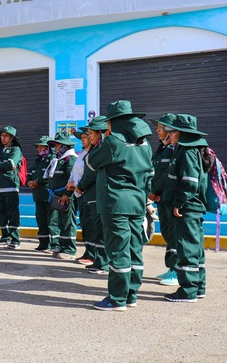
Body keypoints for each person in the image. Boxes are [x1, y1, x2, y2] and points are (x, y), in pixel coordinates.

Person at [86, 100, 153, 311]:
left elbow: (91, 162)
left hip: (115, 203)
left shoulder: (113, 142)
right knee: (134, 249)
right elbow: (149, 174)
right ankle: (131, 295)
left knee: (118, 250)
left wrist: (106, 139)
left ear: (113, 122)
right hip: (137, 202)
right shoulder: (145, 144)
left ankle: (117, 298)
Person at [161, 114, 209, 303]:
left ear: (181, 133)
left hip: (187, 208)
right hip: (192, 207)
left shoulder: (187, 151)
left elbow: (190, 182)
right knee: (195, 246)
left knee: (187, 247)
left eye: (171, 131)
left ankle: (188, 290)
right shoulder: (187, 149)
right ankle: (198, 287)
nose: (168, 134)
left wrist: (178, 204)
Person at [75, 116, 110, 274]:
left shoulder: (102, 150)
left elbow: (91, 173)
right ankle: (98, 259)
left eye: (90, 134)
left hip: (98, 195)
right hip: (91, 196)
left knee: (101, 230)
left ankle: (103, 261)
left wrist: (80, 186)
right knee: (95, 229)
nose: (88, 137)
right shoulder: (93, 150)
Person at [147, 113, 179, 286]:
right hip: (163, 198)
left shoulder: (175, 148)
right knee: (168, 233)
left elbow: (168, 174)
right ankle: (171, 267)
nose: (157, 131)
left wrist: (155, 191)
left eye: (160, 128)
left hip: (171, 198)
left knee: (174, 235)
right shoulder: (163, 148)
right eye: (157, 128)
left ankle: (177, 270)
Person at [44, 131, 77, 259]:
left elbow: (71, 178)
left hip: (66, 196)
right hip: (58, 196)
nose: (55, 148)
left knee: (68, 222)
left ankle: (69, 249)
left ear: (64, 146)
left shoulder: (70, 159)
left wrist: (67, 194)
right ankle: (63, 246)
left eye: (57, 145)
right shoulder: (59, 159)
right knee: (62, 223)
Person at [0, 126, 23, 249]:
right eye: (2, 135)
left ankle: (15, 240)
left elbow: (12, 163)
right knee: (1, 214)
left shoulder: (16, 149)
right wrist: (3, 164)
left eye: (6, 136)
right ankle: (5, 237)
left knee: (12, 214)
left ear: (11, 138)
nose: (3, 138)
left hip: (11, 186)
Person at [27, 136, 59, 252]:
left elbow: (49, 176)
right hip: (38, 195)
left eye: (43, 147)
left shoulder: (53, 159)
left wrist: (37, 182)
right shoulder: (38, 160)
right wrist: (29, 181)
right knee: (41, 220)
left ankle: (55, 244)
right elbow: (30, 173)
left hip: (48, 195)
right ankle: (43, 243)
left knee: (52, 221)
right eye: (38, 147)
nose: (40, 149)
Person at [68, 126, 93, 265]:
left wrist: (79, 186)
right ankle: (88, 251)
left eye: (85, 138)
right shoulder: (82, 153)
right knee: (85, 223)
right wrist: (70, 182)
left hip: (87, 192)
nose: (82, 141)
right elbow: (74, 172)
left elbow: (88, 174)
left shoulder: (93, 153)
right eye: (82, 138)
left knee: (91, 225)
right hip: (78, 193)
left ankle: (93, 254)